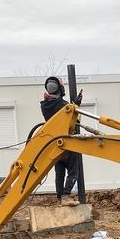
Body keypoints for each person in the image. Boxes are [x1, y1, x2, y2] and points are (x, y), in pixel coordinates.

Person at [40, 76, 83, 204]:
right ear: (60, 88)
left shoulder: (44, 106)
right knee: (73, 172)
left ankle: (59, 197)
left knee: (59, 174)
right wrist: (77, 105)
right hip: (68, 142)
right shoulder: (64, 106)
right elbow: (75, 120)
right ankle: (66, 194)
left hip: (55, 144)